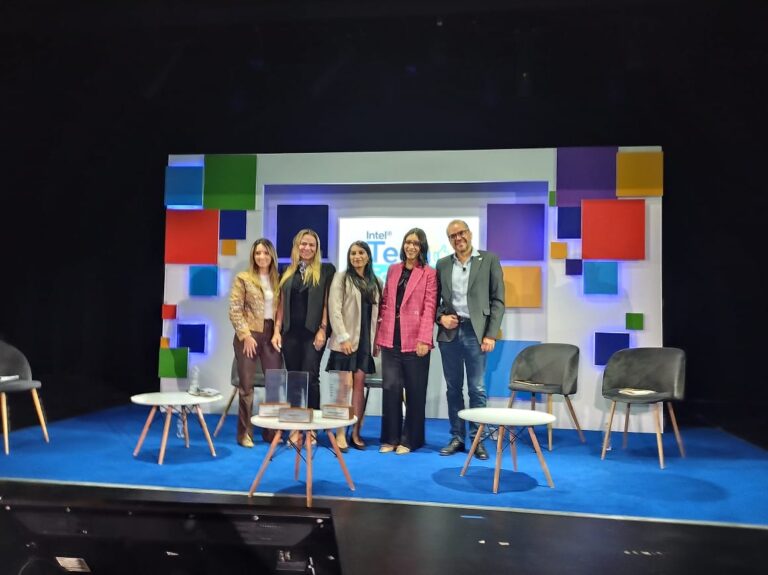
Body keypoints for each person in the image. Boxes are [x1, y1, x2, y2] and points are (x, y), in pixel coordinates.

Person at [435, 219, 505, 460]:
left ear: (470, 233)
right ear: (449, 240)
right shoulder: (442, 264)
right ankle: (457, 437)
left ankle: (478, 440)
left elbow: (498, 301)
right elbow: (433, 301)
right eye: (453, 236)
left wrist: (490, 334)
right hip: (450, 334)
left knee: (477, 389)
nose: (458, 238)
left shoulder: (489, 260)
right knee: (453, 389)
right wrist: (441, 318)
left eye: (461, 233)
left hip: (477, 334)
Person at [375, 228, 438, 455]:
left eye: (416, 243)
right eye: (408, 242)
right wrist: (379, 334)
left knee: (415, 391)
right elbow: (385, 303)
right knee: (390, 388)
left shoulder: (429, 273)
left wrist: (424, 339)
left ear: (422, 248)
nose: (411, 247)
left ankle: (411, 440)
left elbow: (430, 308)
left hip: (416, 340)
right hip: (390, 337)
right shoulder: (393, 269)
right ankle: (390, 438)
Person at [326, 241, 382, 451]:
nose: (356, 257)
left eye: (361, 253)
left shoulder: (377, 282)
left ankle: (356, 431)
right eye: (353, 253)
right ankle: (340, 432)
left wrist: (376, 341)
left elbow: (379, 317)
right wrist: (343, 337)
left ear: (368, 256)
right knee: (344, 387)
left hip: (365, 342)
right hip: (346, 341)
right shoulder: (341, 278)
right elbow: (334, 309)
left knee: (359, 387)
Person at [272, 229, 335, 411]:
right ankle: (295, 420)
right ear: (297, 246)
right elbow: (281, 303)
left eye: (311, 245)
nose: (307, 248)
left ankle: (313, 421)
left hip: (313, 333)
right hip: (290, 332)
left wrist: (323, 329)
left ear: (317, 248)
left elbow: (327, 303)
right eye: (304, 243)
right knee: (293, 377)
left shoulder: (326, 270)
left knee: (310, 376)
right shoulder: (286, 270)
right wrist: (277, 331)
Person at [228, 238, 283, 448]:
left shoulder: (278, 279)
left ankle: (271, 431)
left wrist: (277, 331)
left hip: (271, 335)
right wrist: (245, 335)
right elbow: (234, 309)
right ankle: (245, 434)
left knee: (274, 384)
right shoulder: (243, 278)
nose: (262, 257)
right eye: (258, 253)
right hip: (248, 334)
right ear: (253, 255)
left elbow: (280, 309)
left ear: (272, 256)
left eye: (266, 253)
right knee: (246, 387)